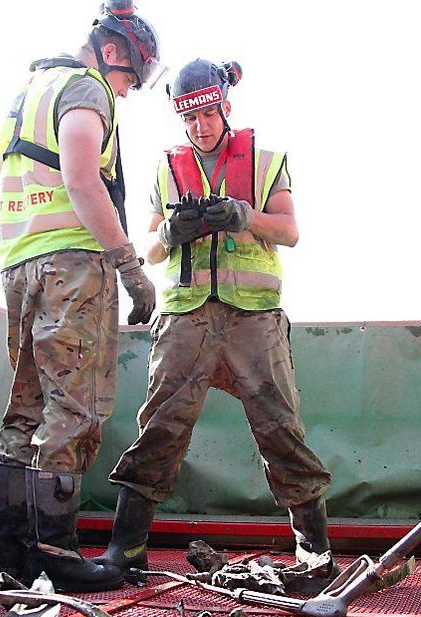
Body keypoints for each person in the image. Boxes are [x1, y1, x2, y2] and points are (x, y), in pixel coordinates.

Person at [94, 59, 335, 573]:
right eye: (190, 118)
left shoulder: (266, 161)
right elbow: (153, 250)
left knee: (279, 426)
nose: (200, 126)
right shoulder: (166, 166)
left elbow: (290, 232)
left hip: (255, 319)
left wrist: (246, 216)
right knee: (160, 424)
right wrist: (169, 234)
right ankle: (127, 546)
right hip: (186, 315)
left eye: (207, 113)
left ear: (224, 107)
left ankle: (314, 549)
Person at [0, 1, 163, 593]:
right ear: (111, 52)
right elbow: (83, 176)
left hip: (19, 261)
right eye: (129, 78)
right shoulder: (86, 90)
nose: (128, 92)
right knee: (74, 408)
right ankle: (55, 555)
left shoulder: (33, 87)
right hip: (70, 264)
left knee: (25, 408)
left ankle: (6, 555)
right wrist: (129, 265)